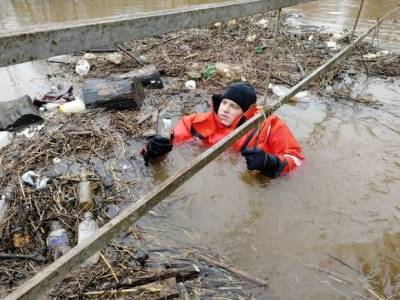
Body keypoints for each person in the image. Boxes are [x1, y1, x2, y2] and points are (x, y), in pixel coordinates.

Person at [142, 83, 303, 178]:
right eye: (225, 103)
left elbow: (296, 158)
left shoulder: (269, 125)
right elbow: (170, 144)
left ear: (246, 112)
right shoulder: (195, 122)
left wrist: (270, 162)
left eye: (234, 107)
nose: (225, 110)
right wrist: (154, 149)